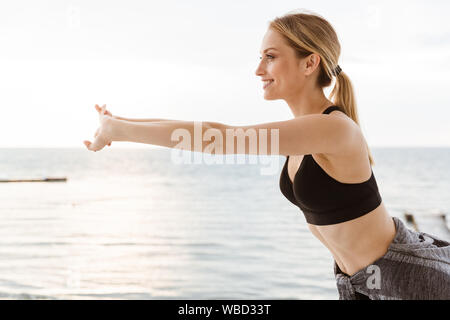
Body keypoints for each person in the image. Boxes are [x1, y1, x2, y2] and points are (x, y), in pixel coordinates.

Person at [83, 10, 450, 300]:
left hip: (407, 276)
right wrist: (119, 123)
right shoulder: (306, 131)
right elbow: (214, 130)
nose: (259, 70)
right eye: (261, 57)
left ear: (310, 63)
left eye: (271, 58)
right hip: (361, 281)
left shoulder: (333, 128)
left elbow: (219, 139)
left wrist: (121, 131)